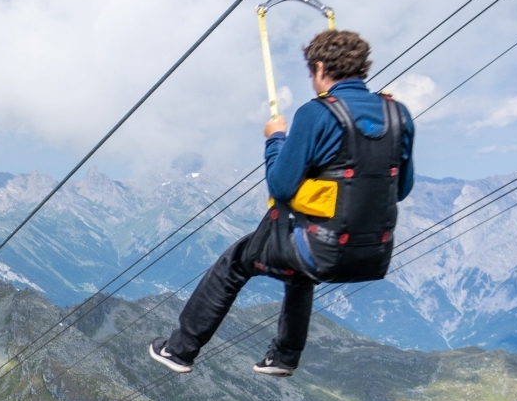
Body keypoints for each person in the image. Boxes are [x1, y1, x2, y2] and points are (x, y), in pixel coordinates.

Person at [149, 29, 414, 378]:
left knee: (235, 262)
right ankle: (284, 356)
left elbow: (281, 185)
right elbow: (401, 189)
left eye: (310, 73)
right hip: (374, 254)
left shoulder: (317, 113)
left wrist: (275, 138)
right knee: (297, 259)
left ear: (320, 68)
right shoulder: (399, 114)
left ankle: (179, 350)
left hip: (322, 250)